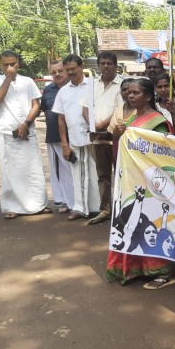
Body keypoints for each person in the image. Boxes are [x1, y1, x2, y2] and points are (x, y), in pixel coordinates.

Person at [106, 78, 175, 289]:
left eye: (136, 93)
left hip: (150, 184)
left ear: (147, 96)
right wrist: (117, 136)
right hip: (130, 181)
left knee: (150, 224)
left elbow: (165, 152)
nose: (131, 96)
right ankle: (136, 267)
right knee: (130, 222)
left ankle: (162, 271)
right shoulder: (132, 118)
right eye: (129, 93)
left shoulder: (157, 121)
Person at [0, 50, 49, 219]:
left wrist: (26, 124)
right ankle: (12, 206)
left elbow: (36, 105)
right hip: (5, 132)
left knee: (33, 169)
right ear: (0, 65)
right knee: (9, 171)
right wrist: (8, 78)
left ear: (18, 64)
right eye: (5, 65)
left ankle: (38, 204)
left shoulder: (27, 81)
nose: (9, 67)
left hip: (27, 130)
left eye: (12, 64)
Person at [52, 54, 100, 221]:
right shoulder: (63, 92)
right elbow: (61, 119)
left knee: (96, 172)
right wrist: (64, 144)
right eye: (68, 70)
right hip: (74, 139)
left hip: (96, 138)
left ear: (81, 67)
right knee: (77, 174)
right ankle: (79, 208)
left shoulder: (94, 85)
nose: (71, 72)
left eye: (73, 69)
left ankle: (99, 207)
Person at [82, 51, 123, 225]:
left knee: (122, 174)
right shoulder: (91, 85)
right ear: (98, 66)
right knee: (103, 175)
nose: (106, 67)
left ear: (115, 66)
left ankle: (123, 210)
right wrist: (93, 126)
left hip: (116, 137)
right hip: (97, 138)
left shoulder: (122, 84)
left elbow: (122, 110)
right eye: (103, 63)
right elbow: (84, 108)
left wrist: (101, 125)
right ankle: (105, 210)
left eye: (109, 64)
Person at [41, 60, 74, 214]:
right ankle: (63, 201)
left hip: (73, 136)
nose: (57, 74)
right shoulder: (48, 90)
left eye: (60, 71)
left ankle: (77, 202)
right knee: (58, 171)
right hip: (53, 136)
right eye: (53, 72)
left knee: (73, 169)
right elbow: (44, 109)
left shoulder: (74, 88)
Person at [106, 77, 135, 162]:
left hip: (135, 154)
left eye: (129, 90)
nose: (127, 92)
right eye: (124, 90)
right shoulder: (119, 109)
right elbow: (112, 132)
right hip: (118, 152)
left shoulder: (141, 110)